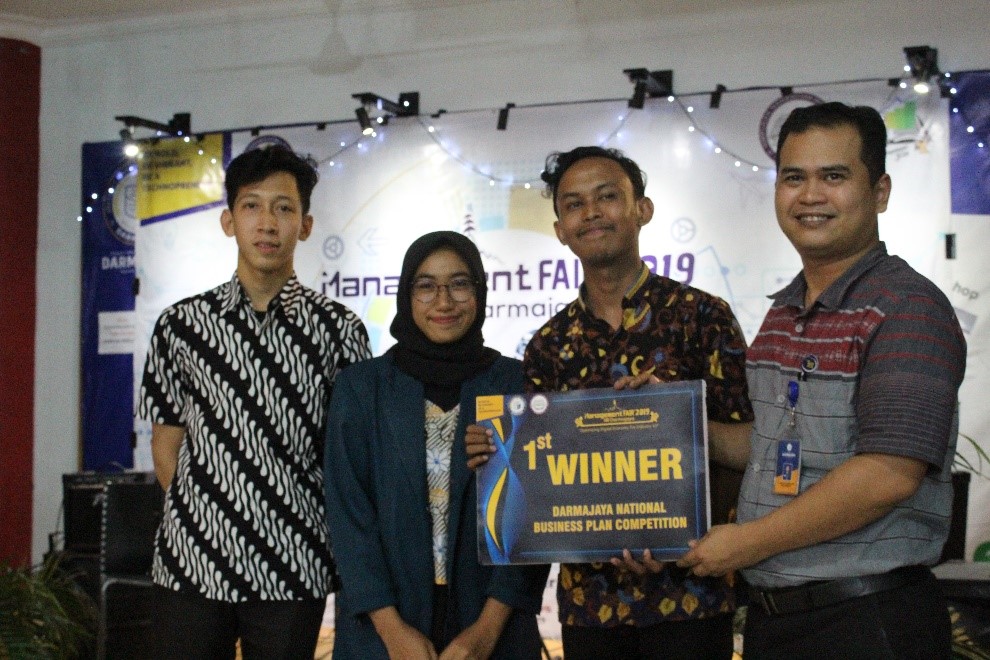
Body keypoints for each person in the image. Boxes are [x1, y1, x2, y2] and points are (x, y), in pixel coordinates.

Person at [678, 102, 967, 658]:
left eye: (833, 177)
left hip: (867, 620)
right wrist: (668, 423)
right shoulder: (784, 312)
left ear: (879, 192)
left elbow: (887, 474)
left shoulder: (907, 308)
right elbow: (768, 442)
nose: (810, 195)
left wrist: (746, 544)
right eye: (794, 178)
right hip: (781, 621)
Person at [470, 146, 754, 659]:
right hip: (590, 605)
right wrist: (496, 452)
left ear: (642, 209)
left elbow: (751, 446)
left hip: (693, 595)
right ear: (560, 229)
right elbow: (538, 471)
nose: (591, 213)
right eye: (574, 204)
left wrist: (688, 527)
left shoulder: (701, 317)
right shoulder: (548, 344)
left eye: (607, 197)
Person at [137, 145, 371, 659]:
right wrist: (211, 517)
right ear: (229, 221)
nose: (268, 223)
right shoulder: (181, 326)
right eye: (252, 206)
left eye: (284, 208)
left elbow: (349, 454)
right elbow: (165, 446)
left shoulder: (339, 330)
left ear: (305, 226)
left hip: (294, 561)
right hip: (192, 562)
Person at [324, 231, 548, 660]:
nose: (444, 302)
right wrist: (392, 631)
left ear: (479, 292)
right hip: (382, 631)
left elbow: (531, 518)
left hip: (493, 626)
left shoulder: (515, 384)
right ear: (406, 295)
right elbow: (349, 517)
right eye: (426, 286)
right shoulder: (361, 388)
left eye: (459, 284)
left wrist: (486, 631)